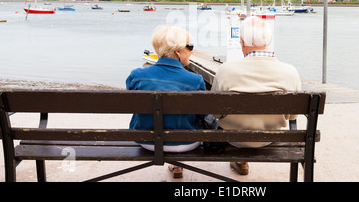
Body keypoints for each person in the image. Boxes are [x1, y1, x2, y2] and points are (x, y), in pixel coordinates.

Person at [211, 16, 301, 175]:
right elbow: (292, 116)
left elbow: (215, 113)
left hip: (233, 139)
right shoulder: (290, 72)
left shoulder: (225, 71)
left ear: (241, 41)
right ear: (270, 39)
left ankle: (240, 160)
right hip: (270, 138)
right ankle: (241, 162)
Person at [127, 25, 206, 178]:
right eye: (189, 47)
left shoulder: (136, 76)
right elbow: (203, 115)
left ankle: (176, 166)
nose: (192, 51)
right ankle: (177, 164)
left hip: (146, 141)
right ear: (178, 51)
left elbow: (130, 104)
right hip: (186, 143)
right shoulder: (195, 80)